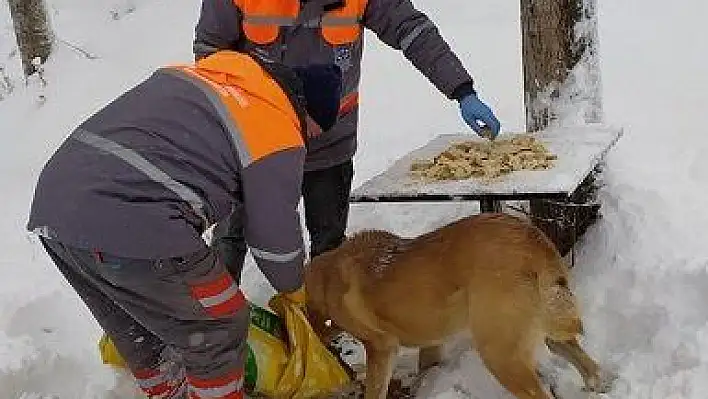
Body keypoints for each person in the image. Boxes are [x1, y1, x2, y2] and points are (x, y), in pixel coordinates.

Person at [26, 50, 343, 398]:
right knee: (219, 324)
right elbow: (273, 236)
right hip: (133, 220)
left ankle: (169, 390)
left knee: (139, 324)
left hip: (56, 208)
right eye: (314, 131)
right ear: (306, 112)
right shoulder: (276, 126)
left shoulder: (208, 81)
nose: (309, 140)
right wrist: (296, 291)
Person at [193, 0, 502, 266]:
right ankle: (216, 328)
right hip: (255, 145)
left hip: (329, 143)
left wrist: (462, 90)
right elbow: (210, 53)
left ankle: (324, 325)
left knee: (329, 250)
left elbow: (412, 30)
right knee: (229, 240)